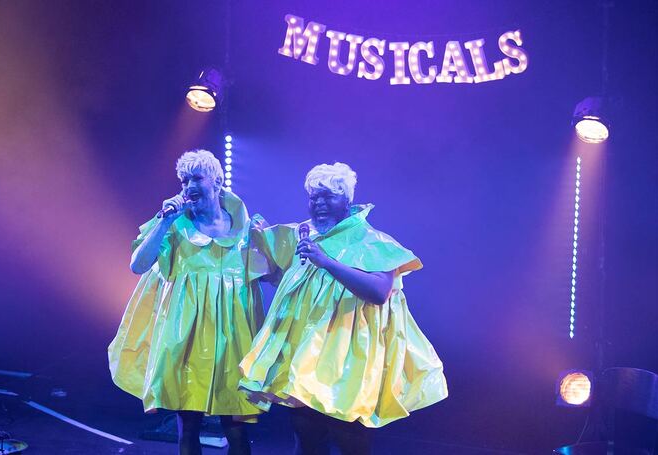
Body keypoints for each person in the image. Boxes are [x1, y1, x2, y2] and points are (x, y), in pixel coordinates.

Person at [239, 162, 448, 454]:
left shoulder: (371, 240)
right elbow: (269, 264)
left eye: (328, 197)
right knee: (306, 436)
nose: (319, 204)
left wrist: (327, 262)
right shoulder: (305, 236)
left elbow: (379, 292)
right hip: (306, 354)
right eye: (314, 197)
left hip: (350, 360)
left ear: (347, 200)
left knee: (350, 440)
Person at [108, 150, 269, 455]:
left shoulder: (244, 227)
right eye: (184, 180)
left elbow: (270, 271)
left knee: (235, 429)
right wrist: (164, 221)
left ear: (217, 180)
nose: (188, 186)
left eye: (196, 178)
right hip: (187, 336)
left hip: (232, 337)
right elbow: (138, 265)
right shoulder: (175, 224)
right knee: (188, 427)